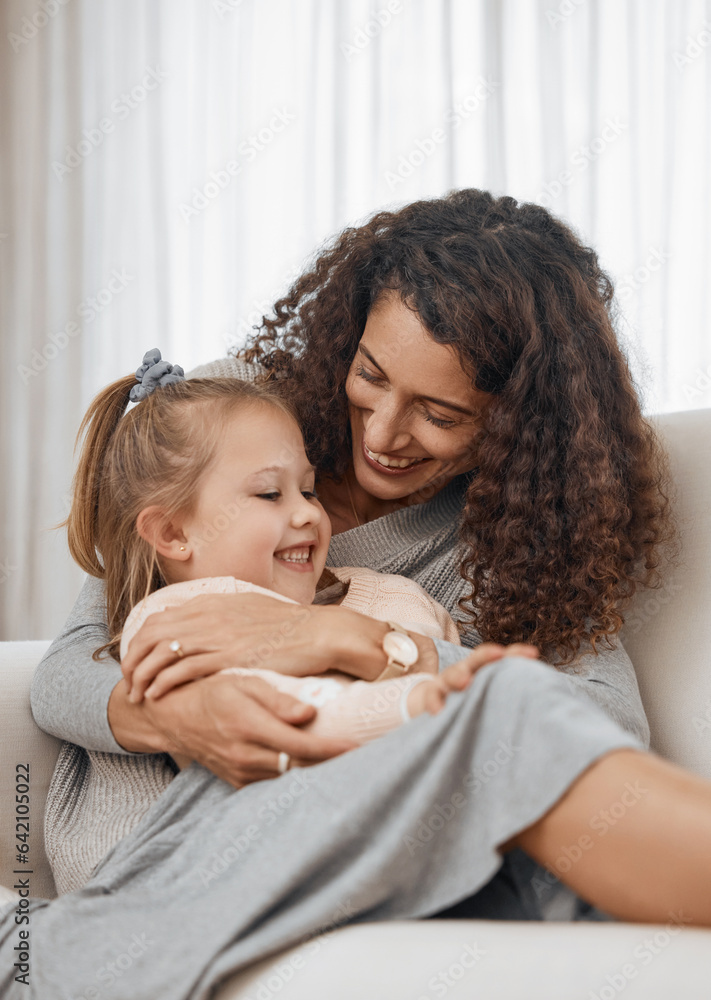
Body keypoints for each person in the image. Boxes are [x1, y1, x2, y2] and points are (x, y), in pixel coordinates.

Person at [7, 189, 711, 999]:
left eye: (440, 414)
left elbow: (602, 727)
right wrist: (173, 716)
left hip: (338, 834)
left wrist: (362, 647)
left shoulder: (523, 536)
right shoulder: (238, 419)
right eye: (369, 375)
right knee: (503, 714)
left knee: (530, 795)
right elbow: (66, 666)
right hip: (175, 846)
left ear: (514, 424)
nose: (379, 433)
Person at [40, 362, 533, 894]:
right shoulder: (176, 619)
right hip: (262, 861)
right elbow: (289, 727)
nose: (306, 515)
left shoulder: (391, 595)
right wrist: (415, 704)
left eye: (309, 490)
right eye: (270, 495)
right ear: (172, 532)